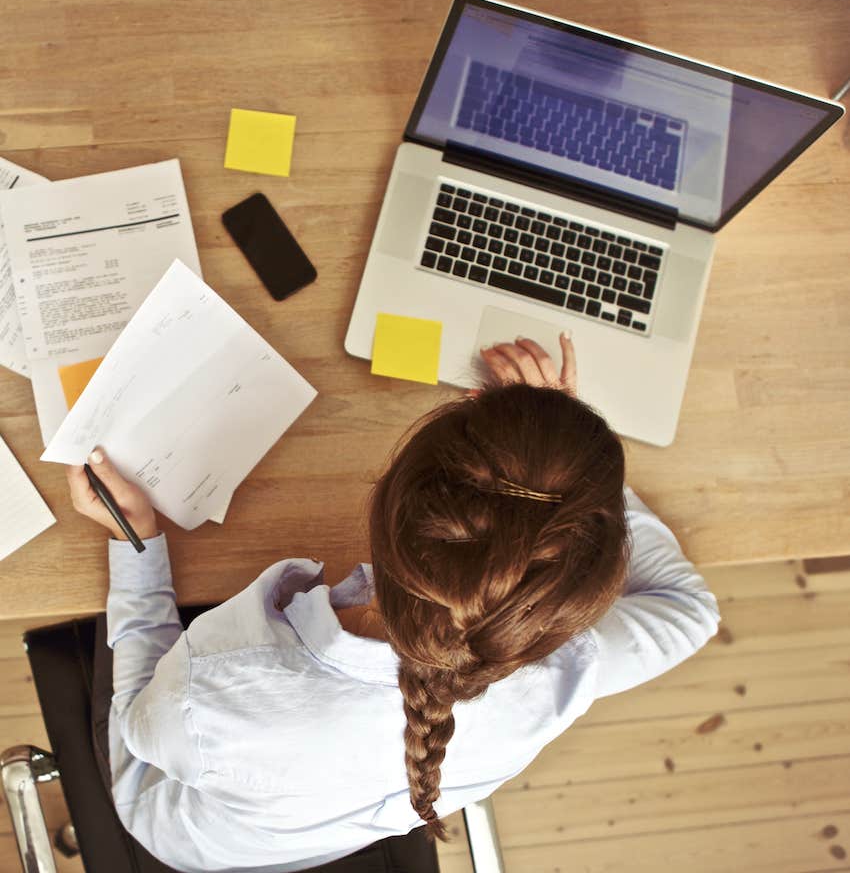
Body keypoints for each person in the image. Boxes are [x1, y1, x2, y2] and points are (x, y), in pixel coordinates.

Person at [66, 335, 720, 873]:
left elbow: (139, 732)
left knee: (130, 727)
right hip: (322, 831)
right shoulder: (566, 676)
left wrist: (139, 543)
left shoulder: (213, 688)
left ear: (382, 496)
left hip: (179, 832)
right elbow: (690, 613)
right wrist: (566, 472)